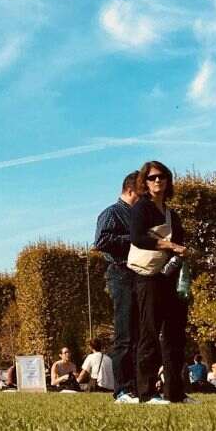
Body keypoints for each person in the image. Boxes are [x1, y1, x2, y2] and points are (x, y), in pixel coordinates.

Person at [128, 160, 194, 405]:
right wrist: (168, 245)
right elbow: (137, 238)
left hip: (168, 275)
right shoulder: (141, 208)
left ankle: (175, 392)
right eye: (153, 177)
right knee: (150, 333)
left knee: (175, 334)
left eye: (162, 177)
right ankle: (146, 393)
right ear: (144, 182)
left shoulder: (170, 212)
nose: (158, 181)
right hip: (148, 277)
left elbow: (179, 239)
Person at [95, 170, 142, 403]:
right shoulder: (112, 213)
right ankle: (122, 389)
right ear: (130, 190)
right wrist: (134, 238)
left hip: (139, 273)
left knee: (139, 333)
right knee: (124, 333)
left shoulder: (137, 214)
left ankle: (136, 386)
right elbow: (101, 242)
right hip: (121, 272)